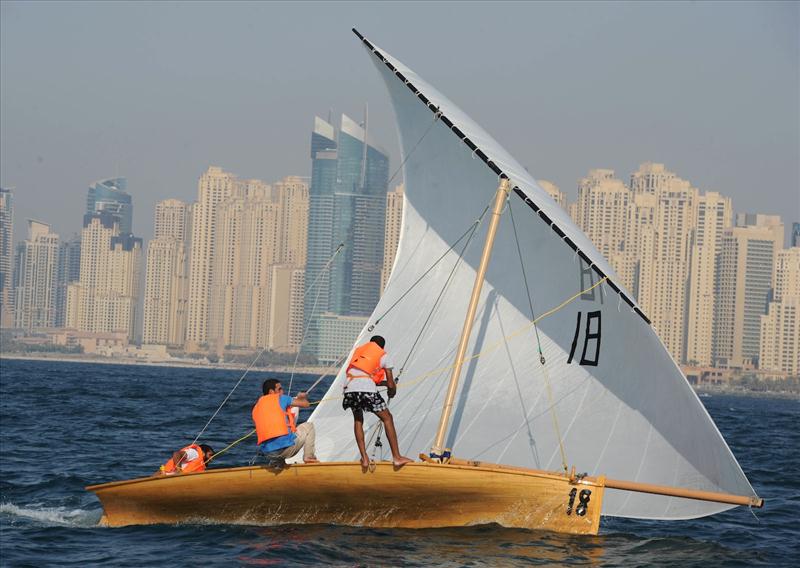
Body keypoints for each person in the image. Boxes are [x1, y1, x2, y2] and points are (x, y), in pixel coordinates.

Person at [343, 335, 413, 469]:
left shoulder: (359, 352)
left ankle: (364, 458)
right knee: (387, 418)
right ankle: (397, 457)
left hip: (349, 388)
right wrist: (391, 390)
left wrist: (386, 384)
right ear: (382, 346)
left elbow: (364, 375)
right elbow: (391, 384)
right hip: (366, 389)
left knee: (358, 420)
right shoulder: (382, 355)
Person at [252, 378, 318, 464]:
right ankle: (309, 457)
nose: (282, 391)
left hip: (268, 454)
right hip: (285, 450)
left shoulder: (256, 407)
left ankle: (278, 464)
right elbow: (306, 404)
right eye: (279, 389)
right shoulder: (282, 398)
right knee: (309, 426)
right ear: (271, 391)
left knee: (278, 444)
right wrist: (301, 397)